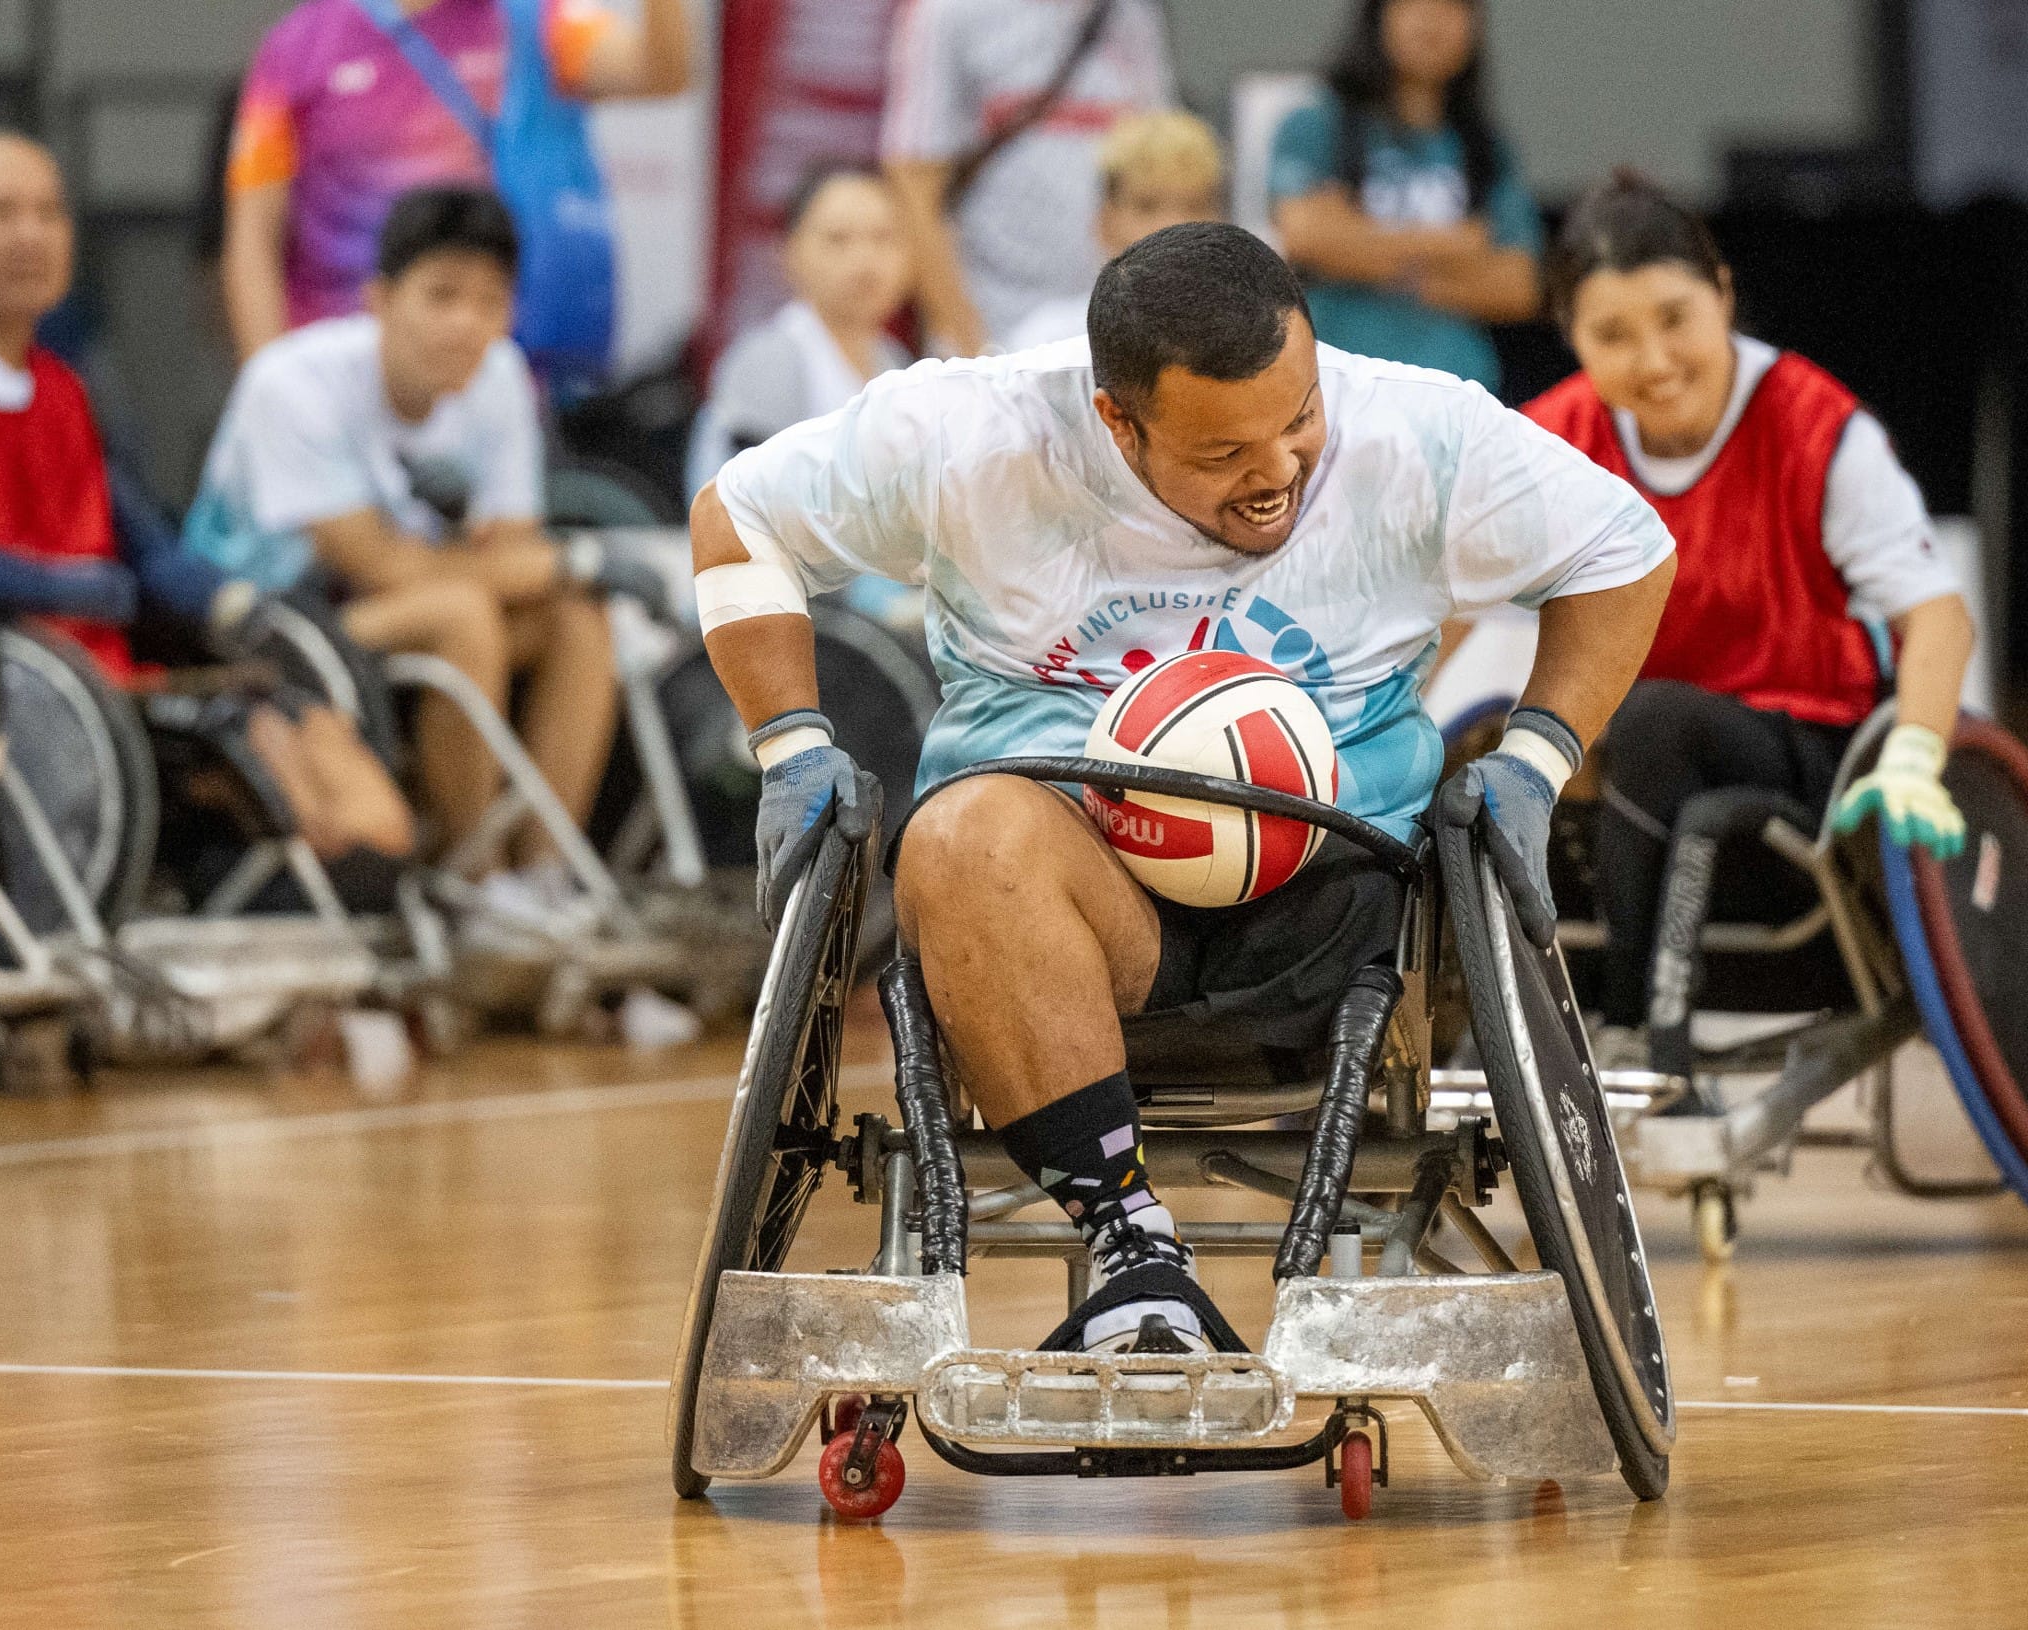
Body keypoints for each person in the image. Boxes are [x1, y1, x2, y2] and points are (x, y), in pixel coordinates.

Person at [688, 222, 1674, 1353]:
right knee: (957, 836)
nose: (1279, 471)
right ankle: (1137, 1253)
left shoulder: (1419, 429)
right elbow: (739, 514)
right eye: (1223, 456)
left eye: (1298, 418)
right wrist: (791, 743)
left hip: (1334, 901)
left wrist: (1537, 755)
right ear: (1119, 419)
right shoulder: (972, 430)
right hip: (1068, 898)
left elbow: (1623, 547)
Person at [1521, 172, 1975, 1065]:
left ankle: (1618, 1031)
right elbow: (1448, 605)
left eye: (1674, 319)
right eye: (1612, 335)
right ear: (1569, 338)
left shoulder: (1816, 424)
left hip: (1807, 755)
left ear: (1722, 294)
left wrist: (1918, 752)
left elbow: (1937, 616)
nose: (1652, 360)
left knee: (1651, 717)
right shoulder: (1550, 437)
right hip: (1643, 767)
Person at [0, 132, 413, 867]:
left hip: (113, 677)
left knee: (340, 770)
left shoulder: (69, 389)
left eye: (49, 212)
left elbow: (145, 547)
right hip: (5, 688)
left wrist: (232, 605)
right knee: (298, 791)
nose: (31, 235)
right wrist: (89, 590)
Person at [193, 185, 630, 914]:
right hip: (262, 630)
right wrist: (542, 560)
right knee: (465, 610)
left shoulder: (499, 380)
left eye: (488, 302)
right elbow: (378, 564)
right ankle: (472, 880)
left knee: (576, 618)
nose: (464, 325)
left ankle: (547, 879)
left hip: (395, 616)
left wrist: (539, 568)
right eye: (441, 296)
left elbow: (514, 558)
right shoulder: (292, 382)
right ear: (380, 299)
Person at [220, 0, 691, 386]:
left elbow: (662, 72)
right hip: (335, 382)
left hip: (496, 369)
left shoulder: (538, 20)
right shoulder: (296, 47)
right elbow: (252, 243)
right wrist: (274, 389)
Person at [1268, 0, 1543, 396]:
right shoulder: (1318, 123)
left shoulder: (1487, 148)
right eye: (1413, 4)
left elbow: (1519, 286)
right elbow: (1308, 237)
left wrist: (1362, 248)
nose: (1431, 20)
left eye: (1452, 7)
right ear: (1377, 16)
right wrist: (1455, 247)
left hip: (1462, 400)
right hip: (1336, 396)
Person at [881, 0, 1175, 357]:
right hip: (996, 327)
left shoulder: (1132, 13)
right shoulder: (948, 11)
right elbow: (914, 183)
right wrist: (965, 340)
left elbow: (1162, 166)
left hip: (1109, 324)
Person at [688, 165, 915, 490]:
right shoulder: (770, 358)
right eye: (838, 239)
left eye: (883, 238)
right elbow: (753, 504)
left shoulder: (896, 361)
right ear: (789, 252)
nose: (865, 260)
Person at [1004, 109, 1225, 352]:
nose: (1171, 226)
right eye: (1147, 206)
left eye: (1194, 205)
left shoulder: (1248, 345)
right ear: (1105, 220)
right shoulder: (1045, 345)